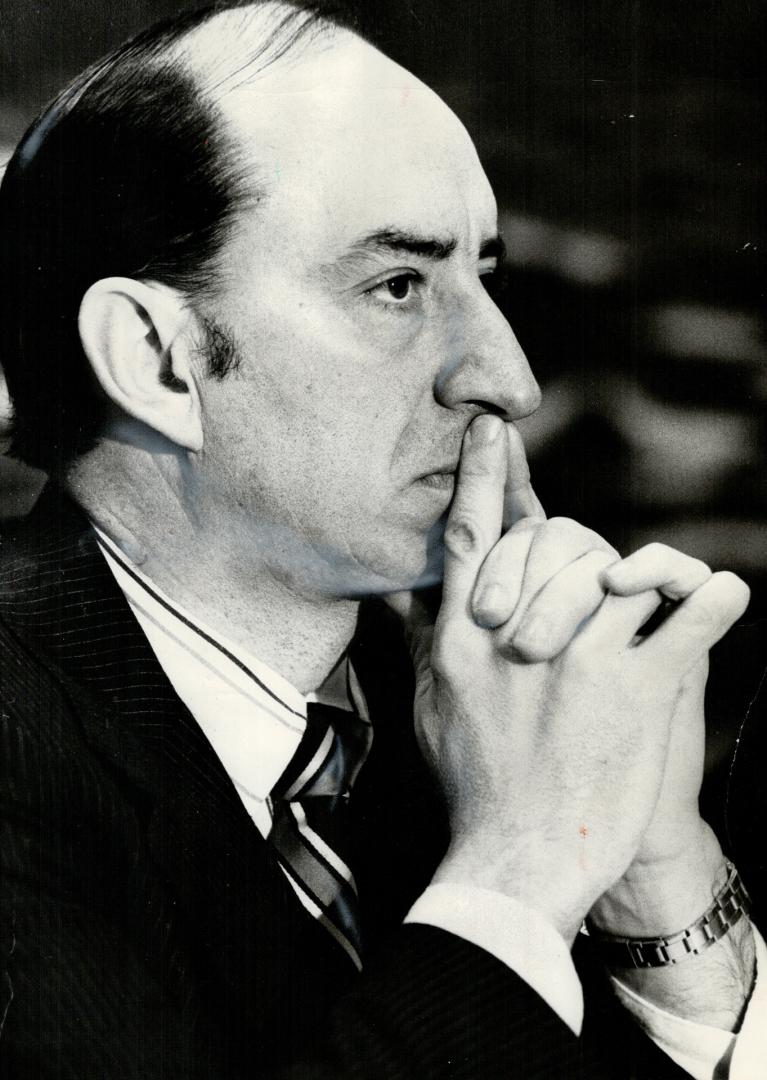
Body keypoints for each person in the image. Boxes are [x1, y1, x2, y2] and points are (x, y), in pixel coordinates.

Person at [0, 3, 763, 1077]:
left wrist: (647, 862)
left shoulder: (479, 713)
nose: (508, 382)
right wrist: (527, 857)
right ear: (156, 359)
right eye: (397, 287)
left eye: (481, 280)